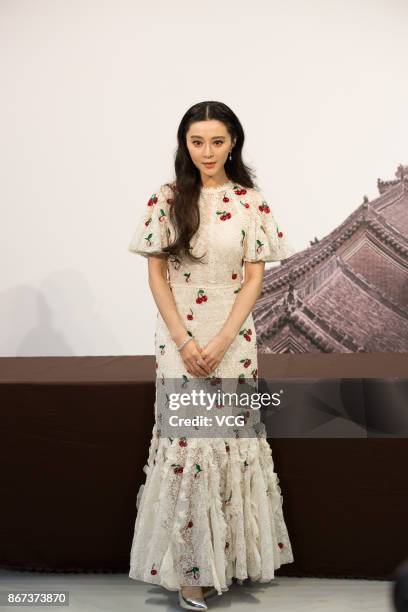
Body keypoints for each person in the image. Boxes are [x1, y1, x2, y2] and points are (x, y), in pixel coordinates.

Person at [128, 101, 295, 610]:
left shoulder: (251, 202)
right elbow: (157, 274)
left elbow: (254, 279)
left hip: (234, 341)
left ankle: (230, 560)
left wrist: (223, 340)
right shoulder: (167, 198)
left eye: (217, 142)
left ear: (233, 144)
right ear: (185, 144)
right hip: (179, 342)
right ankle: (191, 571)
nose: (206, 152)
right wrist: (183, 340)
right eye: (196, 142)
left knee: (229, 444)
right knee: (188, 449)